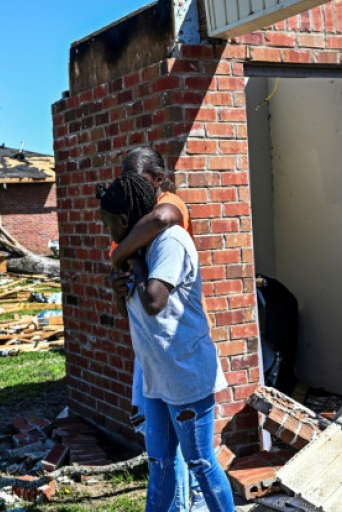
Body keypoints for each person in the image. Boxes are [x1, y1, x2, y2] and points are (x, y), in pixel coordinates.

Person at [99, 172, 234, 512]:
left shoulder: (169, 242)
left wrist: (135, 263)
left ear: (124, 220)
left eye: (107, 225)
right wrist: (119, 293)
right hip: (156, 377)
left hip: (186, 374)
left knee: (200, 463)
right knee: (159, 463)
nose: (107, 234)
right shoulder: (138, 249)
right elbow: (134, 310)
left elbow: (155, 302)